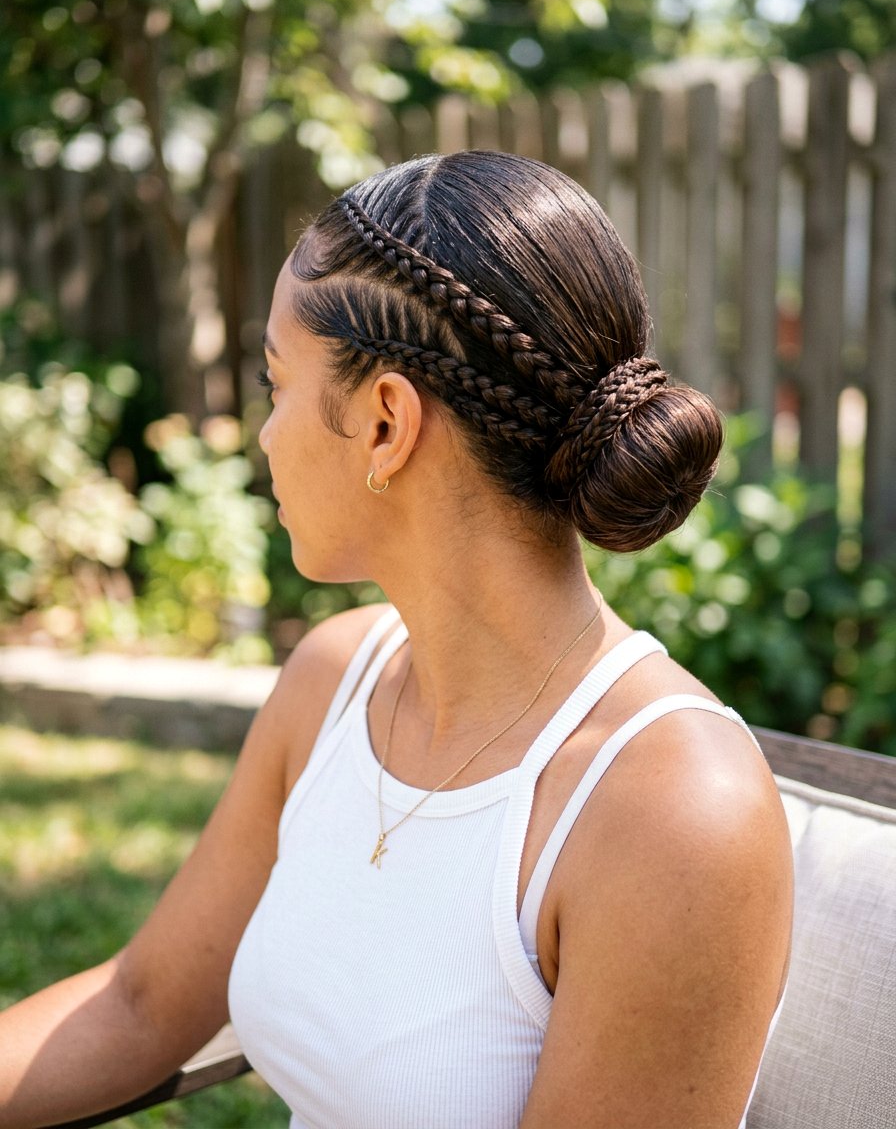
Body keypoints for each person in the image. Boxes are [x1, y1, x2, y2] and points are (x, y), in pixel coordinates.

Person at [0, 150, 792, 1129]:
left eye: (274, 383)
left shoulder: (672, 810)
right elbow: (140, 1005)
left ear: (384, 424)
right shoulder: (333, 680)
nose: (261, 434)